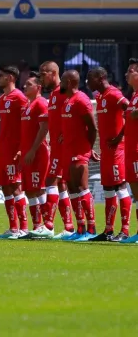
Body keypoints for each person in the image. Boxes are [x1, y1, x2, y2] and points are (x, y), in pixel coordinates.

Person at [86, 67, 131, 242]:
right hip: (106, 151)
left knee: (120, 186)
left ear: (100, 77)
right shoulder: (100, 96)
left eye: (90, 78)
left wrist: (120, 136)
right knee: (108, 188)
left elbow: (129, 110)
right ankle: (108, 231)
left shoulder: (114, 94)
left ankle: (125, 231)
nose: (87, 82)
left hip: (117, 150)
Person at [60, 70, 99, 242]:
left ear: (68, 82)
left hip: (79, 151)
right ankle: (80, 228)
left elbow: (92, 128)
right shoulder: (67, 100)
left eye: (62, 80)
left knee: (82, 188)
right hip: (68, 150)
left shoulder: (81, 99)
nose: (60, 83)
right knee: (72, 189)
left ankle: (91, 229)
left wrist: (88, 149)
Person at [38, 61, 75, 240]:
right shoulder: (53, 95)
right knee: (60, 185)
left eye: (43, 74)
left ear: (53, 73)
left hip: (62, 149)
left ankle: (48, 225)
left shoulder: (63, 93)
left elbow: (74, 115)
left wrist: (66, 134)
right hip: (56, 147)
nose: (40, 78)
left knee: (50, 181)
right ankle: (68, 227)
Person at [0, 66, 29, 239]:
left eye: (0, 76)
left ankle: (24, 227)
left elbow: (27, 124)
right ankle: (13, 227)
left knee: (16, 187)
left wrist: (22, 148)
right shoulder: (2, 98)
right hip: (3, 149)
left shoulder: (20, 98)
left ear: (10, 78)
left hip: (14, 150)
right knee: (5, 188)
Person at [18, 72, 51, 239]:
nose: (25, 86)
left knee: (39, 189)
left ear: (38, 87)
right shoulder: (27, 106)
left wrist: (32, 150)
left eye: (29, 84)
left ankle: (47, 226)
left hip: (38, 154)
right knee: (29, 191)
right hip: (27, 154)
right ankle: (37, 226)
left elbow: (44, 128)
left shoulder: (41, 103)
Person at [119, 58, 138, 243]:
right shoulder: (133, 96)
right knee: (135, 190)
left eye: (131, 71)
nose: (127, 74)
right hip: (130, 150)